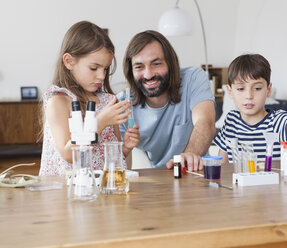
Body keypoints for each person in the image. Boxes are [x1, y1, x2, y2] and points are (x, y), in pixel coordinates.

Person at [39, 21, 139, 176]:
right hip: (67, 192)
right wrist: (99, 123)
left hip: (103, 190)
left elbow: (112, 159)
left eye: (105, 69)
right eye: (94, 68)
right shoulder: (59, 101)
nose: (102, 76)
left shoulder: (108, 101)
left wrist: (125, 148)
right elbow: (68, 154)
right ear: (69, 61)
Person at [118, 30, 215, 171]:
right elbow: (122, 165)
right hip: (158, 179)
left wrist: (189, 155)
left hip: (195, 172)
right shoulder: (123, 105)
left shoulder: (193, 78)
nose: (148, 74)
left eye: (156, 64)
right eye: (139, 67)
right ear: (131, 71)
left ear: (170, 63)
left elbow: (206, 122)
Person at [214, 54, 287, 162]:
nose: (249, 96)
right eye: (241, 88)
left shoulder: (277, 121)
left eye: (257, 88)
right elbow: (222, 165)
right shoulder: (231, 121)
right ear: (230, 91)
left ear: (268, 90)